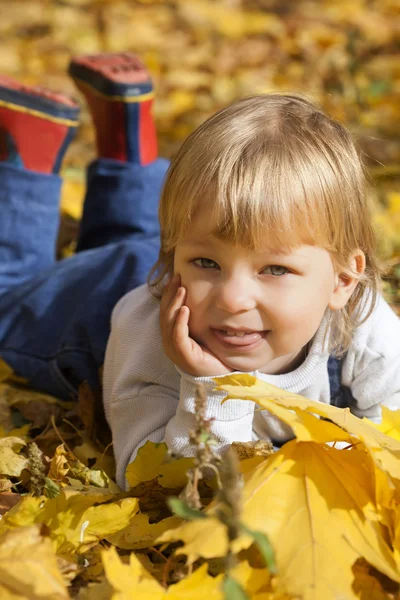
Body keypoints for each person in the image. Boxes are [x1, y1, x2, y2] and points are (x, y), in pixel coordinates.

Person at [0, 54, 399, 491]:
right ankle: (27, 163)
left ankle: (128, 142)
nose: (232, 298)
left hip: (161, 254)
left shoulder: (365, 331)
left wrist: (338, 458)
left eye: (275, 269)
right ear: (173, 253)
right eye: (208, 263)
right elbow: (157, 482)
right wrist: (212, 389)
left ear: (344, 280)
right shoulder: (148, 342)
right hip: (91, 310)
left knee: (132, 235)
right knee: (8, 299)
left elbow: (388, 443)